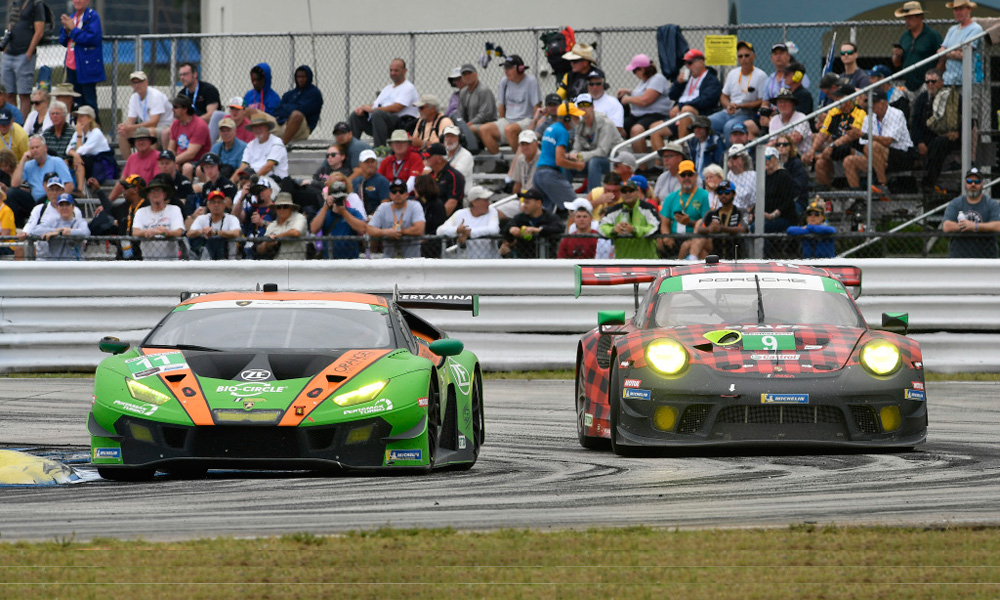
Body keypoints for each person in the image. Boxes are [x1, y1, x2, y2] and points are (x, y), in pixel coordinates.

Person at [844, 90, 916, 194]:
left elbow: (888, 141)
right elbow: (864, 145)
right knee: (849, 161)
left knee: (873, 146)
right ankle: (858, 197)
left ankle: (882, 185)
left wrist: (863, 134)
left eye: (874, 102)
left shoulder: (896, 114)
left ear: (884, 103)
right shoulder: (869, 118)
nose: (871, 105)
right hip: (877, 157)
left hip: (902, 155)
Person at [802, 85, 865, 188]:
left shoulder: (860, 113)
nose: (835, 99)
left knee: (841, 149)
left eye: (839, 97)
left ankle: (857, 194)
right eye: (835, 97)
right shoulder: (834, 112)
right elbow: (823, 133)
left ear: (849, 98)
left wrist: (832, 146)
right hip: (835, 150)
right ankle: (828, 194)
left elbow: (850, 136)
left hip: (853, 149)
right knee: (820, 164)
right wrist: (812, 151)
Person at [479, 55, 541, 155]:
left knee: (509, 130)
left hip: (526, 119)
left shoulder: (531, 81)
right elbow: (501, 106)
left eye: (509, 68)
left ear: (520, 69)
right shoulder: (504, 81)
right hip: (508, 120)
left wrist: (533, 127)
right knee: (483, 130)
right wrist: (502, 121)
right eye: (505, 68)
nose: (506, 71)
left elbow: (537, 106)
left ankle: (522, 160)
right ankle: (500, 161)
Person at [349, 58, 419, 147]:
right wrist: (363, 109)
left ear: (404, 71)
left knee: (378, 113)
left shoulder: (408, 87)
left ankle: (380, 149)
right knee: (356, 116)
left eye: (396, 70)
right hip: (381, 123)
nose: (393, 73)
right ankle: (351, 148)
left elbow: (396, 108)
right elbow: (375, 105)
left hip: (401, 125)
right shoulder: (387, 88)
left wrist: (373, 109)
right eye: (391, 70)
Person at [709, 41, 767, 143]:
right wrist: (728, 105)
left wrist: (741, 106)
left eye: (746, 55)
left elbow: (762, 100)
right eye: (740, 56)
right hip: (730, 111)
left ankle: (732, 153)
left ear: (753, 57)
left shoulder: (760, 75)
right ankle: (718, 150)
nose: (743, 59)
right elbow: (723, 96)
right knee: (709, 122)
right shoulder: (733, 73)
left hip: (748, 113)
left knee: (729, 127)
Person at [533, 102, 585, 214]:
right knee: (577, 208)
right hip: (550, 175)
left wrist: (569, 156)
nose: (578, 119)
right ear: (567, 118)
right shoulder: (562, 132)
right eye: (575, 116)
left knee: (544, 213)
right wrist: (577, 166)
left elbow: (551, 153)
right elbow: (559, 161)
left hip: (539, 174)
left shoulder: (551, 128)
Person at [911, 70, 957, 194]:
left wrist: (957, 131)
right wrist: (919, 141)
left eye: (933, 81)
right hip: (927, 136)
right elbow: (915, 123)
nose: (930, 84)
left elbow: (965, 118)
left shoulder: (952, 97)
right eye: (927, 82)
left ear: (941, 82)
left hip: (947, 137)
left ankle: (929, 181)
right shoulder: (922, 99)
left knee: (939, 143)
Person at [662, 49, 722, 142]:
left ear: (701, 62)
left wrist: (681, 106)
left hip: (698, 114)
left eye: (690, 63)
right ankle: (664, 152)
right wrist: (678, 83)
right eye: (685, 64)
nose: (687, 66)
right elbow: (672, 96)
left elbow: (705, 100)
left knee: (686, 110)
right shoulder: (687, 77)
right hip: (679, 113)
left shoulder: (711, 80)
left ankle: (680, 148)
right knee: (654, 129)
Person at [618, 54, 672, 157]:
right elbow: (641, 93)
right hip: (638, 115)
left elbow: (645, 100)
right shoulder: (644, 81)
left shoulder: (657, 79)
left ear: (642, 69)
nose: (635, 74)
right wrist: (628, 91)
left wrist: (628, 99)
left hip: (655, 115)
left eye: (635, 71)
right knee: (618, 127)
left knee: (636, 130)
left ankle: (642, 164)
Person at [569, 93, 622, 193]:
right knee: (568, 162)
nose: (583, 108)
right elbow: (576, 148)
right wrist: (571, 156)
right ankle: (566, 194)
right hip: (594, 157)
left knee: (595, 162)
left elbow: (602, 151)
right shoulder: (580, 125)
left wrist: (579, 156)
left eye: (586, 104)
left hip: (616, 158)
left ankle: (593, 195)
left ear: (592, 106)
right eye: (580, 105)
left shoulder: (605, 123)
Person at [58, 0, 103, 116]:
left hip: (86, 66)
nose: (78, 1)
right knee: (76, 103)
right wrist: (66, 28)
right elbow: (62, 41)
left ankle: (93, 126)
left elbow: (91, 39)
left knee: (89, 103)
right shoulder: (72, 17)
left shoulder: (92, 17)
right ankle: (78, 126)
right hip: (71, 65)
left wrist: (73, 30)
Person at [942, 167, 1000, 258]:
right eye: (969, 181)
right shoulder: (955, 203)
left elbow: (998, 226)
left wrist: (975, 226)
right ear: (965, 183)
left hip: (986, 259)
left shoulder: (991, 204)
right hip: (958, 258)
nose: (973, 184)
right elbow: (946, 226)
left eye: (977, 182)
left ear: (982, 183)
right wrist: (965, 226)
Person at [660, 159, 711, 259]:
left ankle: (682, 265)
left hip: (695, 237)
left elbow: (705, 223)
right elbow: (664, 223)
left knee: (702, 252)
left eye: (690, 174)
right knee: (660, 242)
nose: (686, 178)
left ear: (696, 176)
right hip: (675, 237)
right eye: (683, 175)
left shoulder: (705, 196)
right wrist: (666, 236)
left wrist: (689, 223)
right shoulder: (670, 197)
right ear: (678, 177)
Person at [2, 0, 44, 117]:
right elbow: (11, 26)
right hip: (9, 54)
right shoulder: (15, 3)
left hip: (24, 54)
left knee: (23, 94)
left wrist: (29, 52)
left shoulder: (36, 4)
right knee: (8, 93)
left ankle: (22, 123)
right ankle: (11, 121)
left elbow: (39, 32)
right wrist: (5, 49)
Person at [599, 177, 659, 259]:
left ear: (637, 192)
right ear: (621, 194)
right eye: (624, 191)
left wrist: (635, 230)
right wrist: (613, 230)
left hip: (646, 261)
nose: (627, 194)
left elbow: (655, 227)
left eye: (631, 190)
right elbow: (601, 227)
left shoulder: (647, 208)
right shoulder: (614, 210)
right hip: (623, 261)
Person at [436, 185, 501, 259]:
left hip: (490, 261)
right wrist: (457, 230)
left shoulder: (492, 211)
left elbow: (494, 229)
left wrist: (469, 233)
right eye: (485, 200)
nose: (489, 203)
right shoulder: (460, 214)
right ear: (474, 202)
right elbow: (439, 231)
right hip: (466, 262)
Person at [689, 179, 747, 260]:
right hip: (716, 254)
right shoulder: (711, 213)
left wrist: (721, 228)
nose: (723, 195)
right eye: (720, 192)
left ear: (734, 194)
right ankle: (688, 262)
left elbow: (743, 229)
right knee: (696, 244)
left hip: (737, 255)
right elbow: (699, 229)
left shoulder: (741, 212)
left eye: (727, 192)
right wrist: (710, 229)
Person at [367, 178, 425, 259]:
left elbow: (419, 229)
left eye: (401, 191)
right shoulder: (383, 207)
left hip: (412, 260)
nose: (397, 194)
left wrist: (399, 232)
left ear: (407, 194)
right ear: (390, 194)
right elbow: (369, 229)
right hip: (389, 260)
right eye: (394, 191)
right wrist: (386, 232)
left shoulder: (415, 205)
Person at [117, 71, 172, 156]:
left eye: (140, 82)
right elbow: (130, 120)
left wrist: (131, 127)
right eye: (134, 83)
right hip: (148, 128)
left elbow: (154, 123)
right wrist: (124, 127)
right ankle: (129, 162)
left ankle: (151, 162)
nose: (137, 85)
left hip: (165, 127)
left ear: (146, 82)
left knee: (150, 132)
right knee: (122, 134)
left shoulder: (155, 95)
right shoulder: (134, 98)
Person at [892, 1, 943, 93]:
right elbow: (897, 63)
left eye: (910, 18)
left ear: (920, 17)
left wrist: (934, 78)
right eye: (905, 18)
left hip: (927, 83)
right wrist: (897, 55)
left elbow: (942, 58)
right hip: (908, 84)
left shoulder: (932, 35)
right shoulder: (905, 36)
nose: (907, 21)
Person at [131, 174, 185, 260]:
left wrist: (165, 233)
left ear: (164, 194)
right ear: (148, 195)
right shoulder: (141, 212)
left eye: (159, 190)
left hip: (171, 261)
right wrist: (148, 232)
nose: (156, 193)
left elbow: (178, 232)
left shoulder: (174, 209)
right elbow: (135, 232)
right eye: (152, 191)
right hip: (148, 260)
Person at [310, 180, 367, 260]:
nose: (338, 200)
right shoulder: (324, 212)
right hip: (329, 259)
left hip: (351, 260)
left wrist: (344, 212)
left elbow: (363, 229)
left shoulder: (353, 212)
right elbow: (313, 229)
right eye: (336, 198)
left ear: (345, 198)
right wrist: (326, 207)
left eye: (341, 198)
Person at [501, 188, 563, 258]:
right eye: (524, 202)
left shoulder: (550, 217)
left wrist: (538, 230)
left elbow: (559, 228)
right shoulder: (520, 218)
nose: (524, 205)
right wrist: (511, 229)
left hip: (547, 260)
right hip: (524, 260)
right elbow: (505, 229)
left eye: (527, 203)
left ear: (538, 203)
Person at [66, 105, 115, 193]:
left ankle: (80, 190)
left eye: (82, 116)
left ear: (90, 119)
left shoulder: (96, 133)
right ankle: (67, 189)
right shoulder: (78, 131)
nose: (78, 119)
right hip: (87, 160)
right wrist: (75, 155)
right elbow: (68, 149)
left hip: (100, 163)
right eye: (78, 117)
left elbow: (80, 151)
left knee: (79, 160)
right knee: (66, 161)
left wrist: (79, 135)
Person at [12, 135, 75, 203]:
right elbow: (14, 184)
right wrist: (22, 160)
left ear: (45, 148)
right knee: (12, 192)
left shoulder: (57, 162)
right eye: (32, 148)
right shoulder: (28, 165)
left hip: (53, 200)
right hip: (34, 202)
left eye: (37, 147)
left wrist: (59, 201)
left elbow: (69, 185)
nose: (35, 150)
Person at [271, 65, 323, 145]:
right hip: (283, 123)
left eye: (303, 77)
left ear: (309, 77)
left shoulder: (314, 93)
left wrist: (285, 108)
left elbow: (302, 110)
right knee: (257, 116)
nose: (301, 80)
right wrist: (291, 109)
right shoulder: (289, 94)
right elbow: (276, 111)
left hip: (302, 128)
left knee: (296, 115)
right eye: (298, 77)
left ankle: (281, 147)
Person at [759, 146, 797, 255]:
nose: (766, 161)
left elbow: (788, 202)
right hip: (766, 216)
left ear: (776, 159)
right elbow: (760, 198)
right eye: (764, 158)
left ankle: (766, 256)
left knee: (757, 227)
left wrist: (773, 215)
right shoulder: (763, 177)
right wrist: (754, 213)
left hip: (783, 217)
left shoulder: (784, 176)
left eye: (768, 157)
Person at [29, 192, 89, 260]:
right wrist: (55, 231)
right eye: (61, 205)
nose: (64, 208)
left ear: (72, 207)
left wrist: (63, 232)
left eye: (67, 205)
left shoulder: (79, 222)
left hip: (74, 263)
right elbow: (35, 231)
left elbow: (85, 233)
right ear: (57, 208)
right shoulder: (53, 221)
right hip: (55, 263)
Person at [232, 173, 278, 259]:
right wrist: (241, 198)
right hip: (248, 252)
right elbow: (235, 217)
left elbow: (280, 229)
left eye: (262, 190)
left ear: (270, 191)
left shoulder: (277, 209)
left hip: (265, 254)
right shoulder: (252, 208)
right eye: (256, 190)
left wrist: (262, 223)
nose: (259, 193)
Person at [937, 0, 983, 86]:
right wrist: (955, 51)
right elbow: (940, 51)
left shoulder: (976, 29)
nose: (958, 12)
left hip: (968, 82)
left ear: (969, 9)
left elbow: (964, 54)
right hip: (948, 80)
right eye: (955, 9)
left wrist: (946, 52)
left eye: (961, 9)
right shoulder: (952, 29)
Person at [186, 189, 241, 260]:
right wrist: (202, 231)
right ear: (208, 205)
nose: (216, 205)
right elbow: (189, 234)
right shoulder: (201, 218)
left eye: (219, 202)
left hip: (228, 260)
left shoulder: (232, 219)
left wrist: (216, 232)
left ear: (224, 204)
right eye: (213, 202)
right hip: (205, 259)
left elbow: (236, 233)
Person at [108, 127, 159, 201]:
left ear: (150, 141)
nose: (141, 142)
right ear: (134, 143)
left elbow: (157, 183)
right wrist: (107, 203)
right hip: (132, 200)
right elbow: (121, 183)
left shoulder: (158, 157)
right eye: (138, 140)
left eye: (144, 139)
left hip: (150, 200)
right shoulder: (132, 158)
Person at [234, 113, 288, 182]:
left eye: (261, 125)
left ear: (267, 127)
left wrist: (251, 181)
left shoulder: (277, 142)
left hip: (275, 180)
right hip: (254, 178)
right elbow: (243, 166)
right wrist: (231, 182)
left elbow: (269, 167)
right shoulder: (250, 144)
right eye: (255, 126)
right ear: (252, 129)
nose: (257, 129)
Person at [457, 63, 498, 152]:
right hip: (470, 124)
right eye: (464, 74)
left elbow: (486, 114)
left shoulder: (484, 90)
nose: (467, 76)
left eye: (469, 73)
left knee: (469, 130)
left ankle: (474, 151)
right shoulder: (463, 92)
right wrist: (461, 124)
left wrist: (470, 123)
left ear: (476, 74)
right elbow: (460, 113)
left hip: (487, 124)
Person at [255, 192, 308, 260]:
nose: (282, 209)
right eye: (279, 207)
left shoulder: (299, 218)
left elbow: (296, 232)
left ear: (291, 208)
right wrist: (267, 244)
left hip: (296, 264)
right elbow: (260, 250)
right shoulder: (272, 225)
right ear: (275, 209)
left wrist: (276, 237)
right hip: (277, 264)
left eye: (285, 206)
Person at [168, 94, 211, 176]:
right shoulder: (175, 123)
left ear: (185, 109)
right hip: (181, 159)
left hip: (198, 161)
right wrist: (171, 160)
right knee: (167, 166)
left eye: (175, 107)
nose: (172, 109)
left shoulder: (199, 125)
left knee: (187, 167)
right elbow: (171, 148)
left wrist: (173, 161)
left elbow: (191, 154)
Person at [422, 142, 465, 216]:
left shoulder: (454, 176)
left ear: (439, 159)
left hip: (449, 219)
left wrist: (438, 219)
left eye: (428, 157)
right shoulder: (429, 176)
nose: (426, 159)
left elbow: (452, 202)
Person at [766, 88, 812, 157]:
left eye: (786, 101)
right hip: (780, 156)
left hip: (800, 156)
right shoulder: (774, 120)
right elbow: (772, 142)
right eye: (780, 102)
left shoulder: (801, 117)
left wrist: (777, 141)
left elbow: (795, 139)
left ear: (793, 104)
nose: (783, 104)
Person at [177, 62, 220, 133]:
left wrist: (193, 123)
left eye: (185, 74)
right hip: (187, 126)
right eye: (180, 75)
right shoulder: (182, 94)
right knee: (167, 132)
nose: (182, 77)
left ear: (195, 74)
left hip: (206, 125)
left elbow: (211, 115)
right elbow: (179, 115)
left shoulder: (208, 90)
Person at [774, 133, 810, 215]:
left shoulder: (797, 164)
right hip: (777, 201)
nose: (781, 147)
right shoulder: (773, 164)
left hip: (796, 200)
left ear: (790, 147)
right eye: (778, 144)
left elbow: (799, 185)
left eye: (785, 144)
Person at [412, 174, 447, 257]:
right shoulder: (416, 203)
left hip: (432, 246)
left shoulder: (437, 204)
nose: (414, 189)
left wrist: (425, 239)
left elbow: (438, 227)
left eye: (416, 186)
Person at [585, 68, 625, 134]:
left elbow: (617, 129)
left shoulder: (613, 103)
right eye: (591, 84)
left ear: (604, 85)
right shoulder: (580, 101)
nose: (594, 87)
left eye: (598, 84)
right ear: (587, 86)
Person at [352, 148, 390, 216]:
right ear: (360, 164)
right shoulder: (355, 181)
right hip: (357, 216)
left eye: (372, 161)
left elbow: (385, 204)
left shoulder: (382, 181)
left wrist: (371, 217)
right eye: (366, 162)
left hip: (376, 217)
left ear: (376, 163)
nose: (370, 164)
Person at [443, 125, 473, 195]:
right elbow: (425, 171)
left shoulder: (466, 155)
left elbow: (456, 176)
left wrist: (438, 168)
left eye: (453, 136)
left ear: (460, 139)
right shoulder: (440, 153)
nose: (449, 139)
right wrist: (449, 168)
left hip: (461, 196)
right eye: (447, 136)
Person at [726, 144, 757, 211]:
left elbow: (755, 201)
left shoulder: (753, 176)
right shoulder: (729, 175)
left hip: (745, 212)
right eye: (729, 157)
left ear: (743, 160)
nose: (731, 160)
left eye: (734, 157)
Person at [510, 129, 539, 196]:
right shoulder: (520, 159)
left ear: (536, 143)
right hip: (523, 196)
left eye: (528, 144)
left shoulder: (542, 158)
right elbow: (517, 184)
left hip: (536, 196)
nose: (525, 147)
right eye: (523, 144)